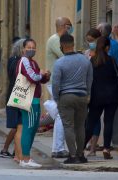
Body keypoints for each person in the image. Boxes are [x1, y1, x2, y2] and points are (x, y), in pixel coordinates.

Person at [52, 34, 93, 164]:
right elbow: (90, 79)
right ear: (73, 44)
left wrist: (56, 98)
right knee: (80, 126)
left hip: (66, 97)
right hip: (82, 96)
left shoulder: (59, 63)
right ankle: (81, 155)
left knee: (68, 126)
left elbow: (56, 84)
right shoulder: (85, 60)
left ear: (62, 46)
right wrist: (88, 94)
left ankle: (73, 155)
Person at [84, 37, 118, 159]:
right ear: (107, 47)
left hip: (96, 97)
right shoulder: (112, 60)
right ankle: (106, 149)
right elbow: (116, 76)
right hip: (112, 96)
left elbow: (88, 79)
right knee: (109, 121)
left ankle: (81, 146)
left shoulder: (92, 61)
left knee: (91, 122)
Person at [18, 39, 50, 168]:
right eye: (28, 47)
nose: (31, 49)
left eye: (33, 47)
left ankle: (26, 158)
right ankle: (26, 159)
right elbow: (33, 77)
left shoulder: (33, 62)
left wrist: (46, 76)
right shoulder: (25, 61)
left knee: (32, 128)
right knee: (28, 128)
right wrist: (40, 73)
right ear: (23, 49)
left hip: (34, 100)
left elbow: (39, 80)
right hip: (29, 100)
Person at [45, 17, 73, 158]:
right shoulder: (56, 40)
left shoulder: (56, 39)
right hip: (57, 82)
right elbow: (67, 55)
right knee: (62, 115)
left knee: (59, 115)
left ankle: (57, 148)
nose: (71, 28)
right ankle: (58, 148)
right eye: (69, 26)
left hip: (58, 82)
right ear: (63, 26)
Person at [0, 38, 24, 160]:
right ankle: (5, 149)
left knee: (19, 125)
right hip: (17, 96)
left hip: (15, 95)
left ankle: (15, 150)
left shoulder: (12, 60)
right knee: (17, 125)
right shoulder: (18, 62)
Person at [83, 28, 102, 156]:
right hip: (86, 89)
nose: (90, 43)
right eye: (88, 40)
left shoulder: (102, 54)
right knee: (86, 118)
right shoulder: (86, 53)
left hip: (98, 90)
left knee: (95, 119)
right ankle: (87, 143)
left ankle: (93, 148)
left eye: (92, 40)